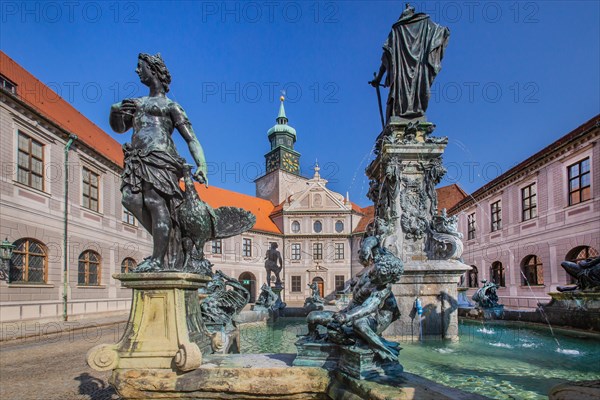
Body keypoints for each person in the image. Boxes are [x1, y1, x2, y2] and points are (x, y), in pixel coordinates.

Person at [109, 53, 207, 272]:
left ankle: (157, 258)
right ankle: (168, 239)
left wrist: (202, 164)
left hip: (161, 157)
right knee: (130, 199)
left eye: (140, 67)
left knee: (155, 202)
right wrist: (114, 111)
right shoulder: (135, 103)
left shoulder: (171, 106)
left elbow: (191, 139)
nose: (137, 71)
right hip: (137, 157)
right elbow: (119, 128)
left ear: (153, 70)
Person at [371, 3, 450, 122]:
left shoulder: (397, 29)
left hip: (401, 74)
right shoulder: (425, 24)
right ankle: (410, 116)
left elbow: (387, 54)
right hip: (419, 69)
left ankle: (405, 119)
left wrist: (379, 78)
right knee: (419, 91)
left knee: (397, 101)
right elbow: (440, 32)